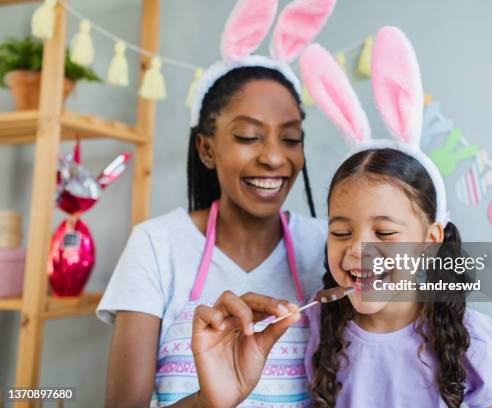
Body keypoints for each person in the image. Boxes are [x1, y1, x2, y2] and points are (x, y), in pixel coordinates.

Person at [96, 0, 337, 406]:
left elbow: (427, 286)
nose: (275, 158)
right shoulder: (156, 246)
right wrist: (212, 399)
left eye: (291, 138)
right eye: (247, 136)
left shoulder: (329, 246)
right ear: (206, 150)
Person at [299, 27, 492, 407]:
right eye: (339, 231)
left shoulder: (471, 342)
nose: (357, 251)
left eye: (384, 232)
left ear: (430, 240)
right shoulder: (317, 331)